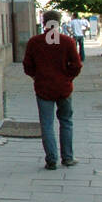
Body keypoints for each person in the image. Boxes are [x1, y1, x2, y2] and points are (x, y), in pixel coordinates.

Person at [23, 10, 82, 169]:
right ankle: (68, 157)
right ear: (59, 22)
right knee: (66, 122)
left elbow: (27, 66)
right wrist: (68, 78)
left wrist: (36, 76)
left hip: (43, 88)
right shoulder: (67, 41)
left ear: (44, 23)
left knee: (47, 124)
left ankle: (51, 159)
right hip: (64, 88)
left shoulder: (35, 42)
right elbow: (76, 65)